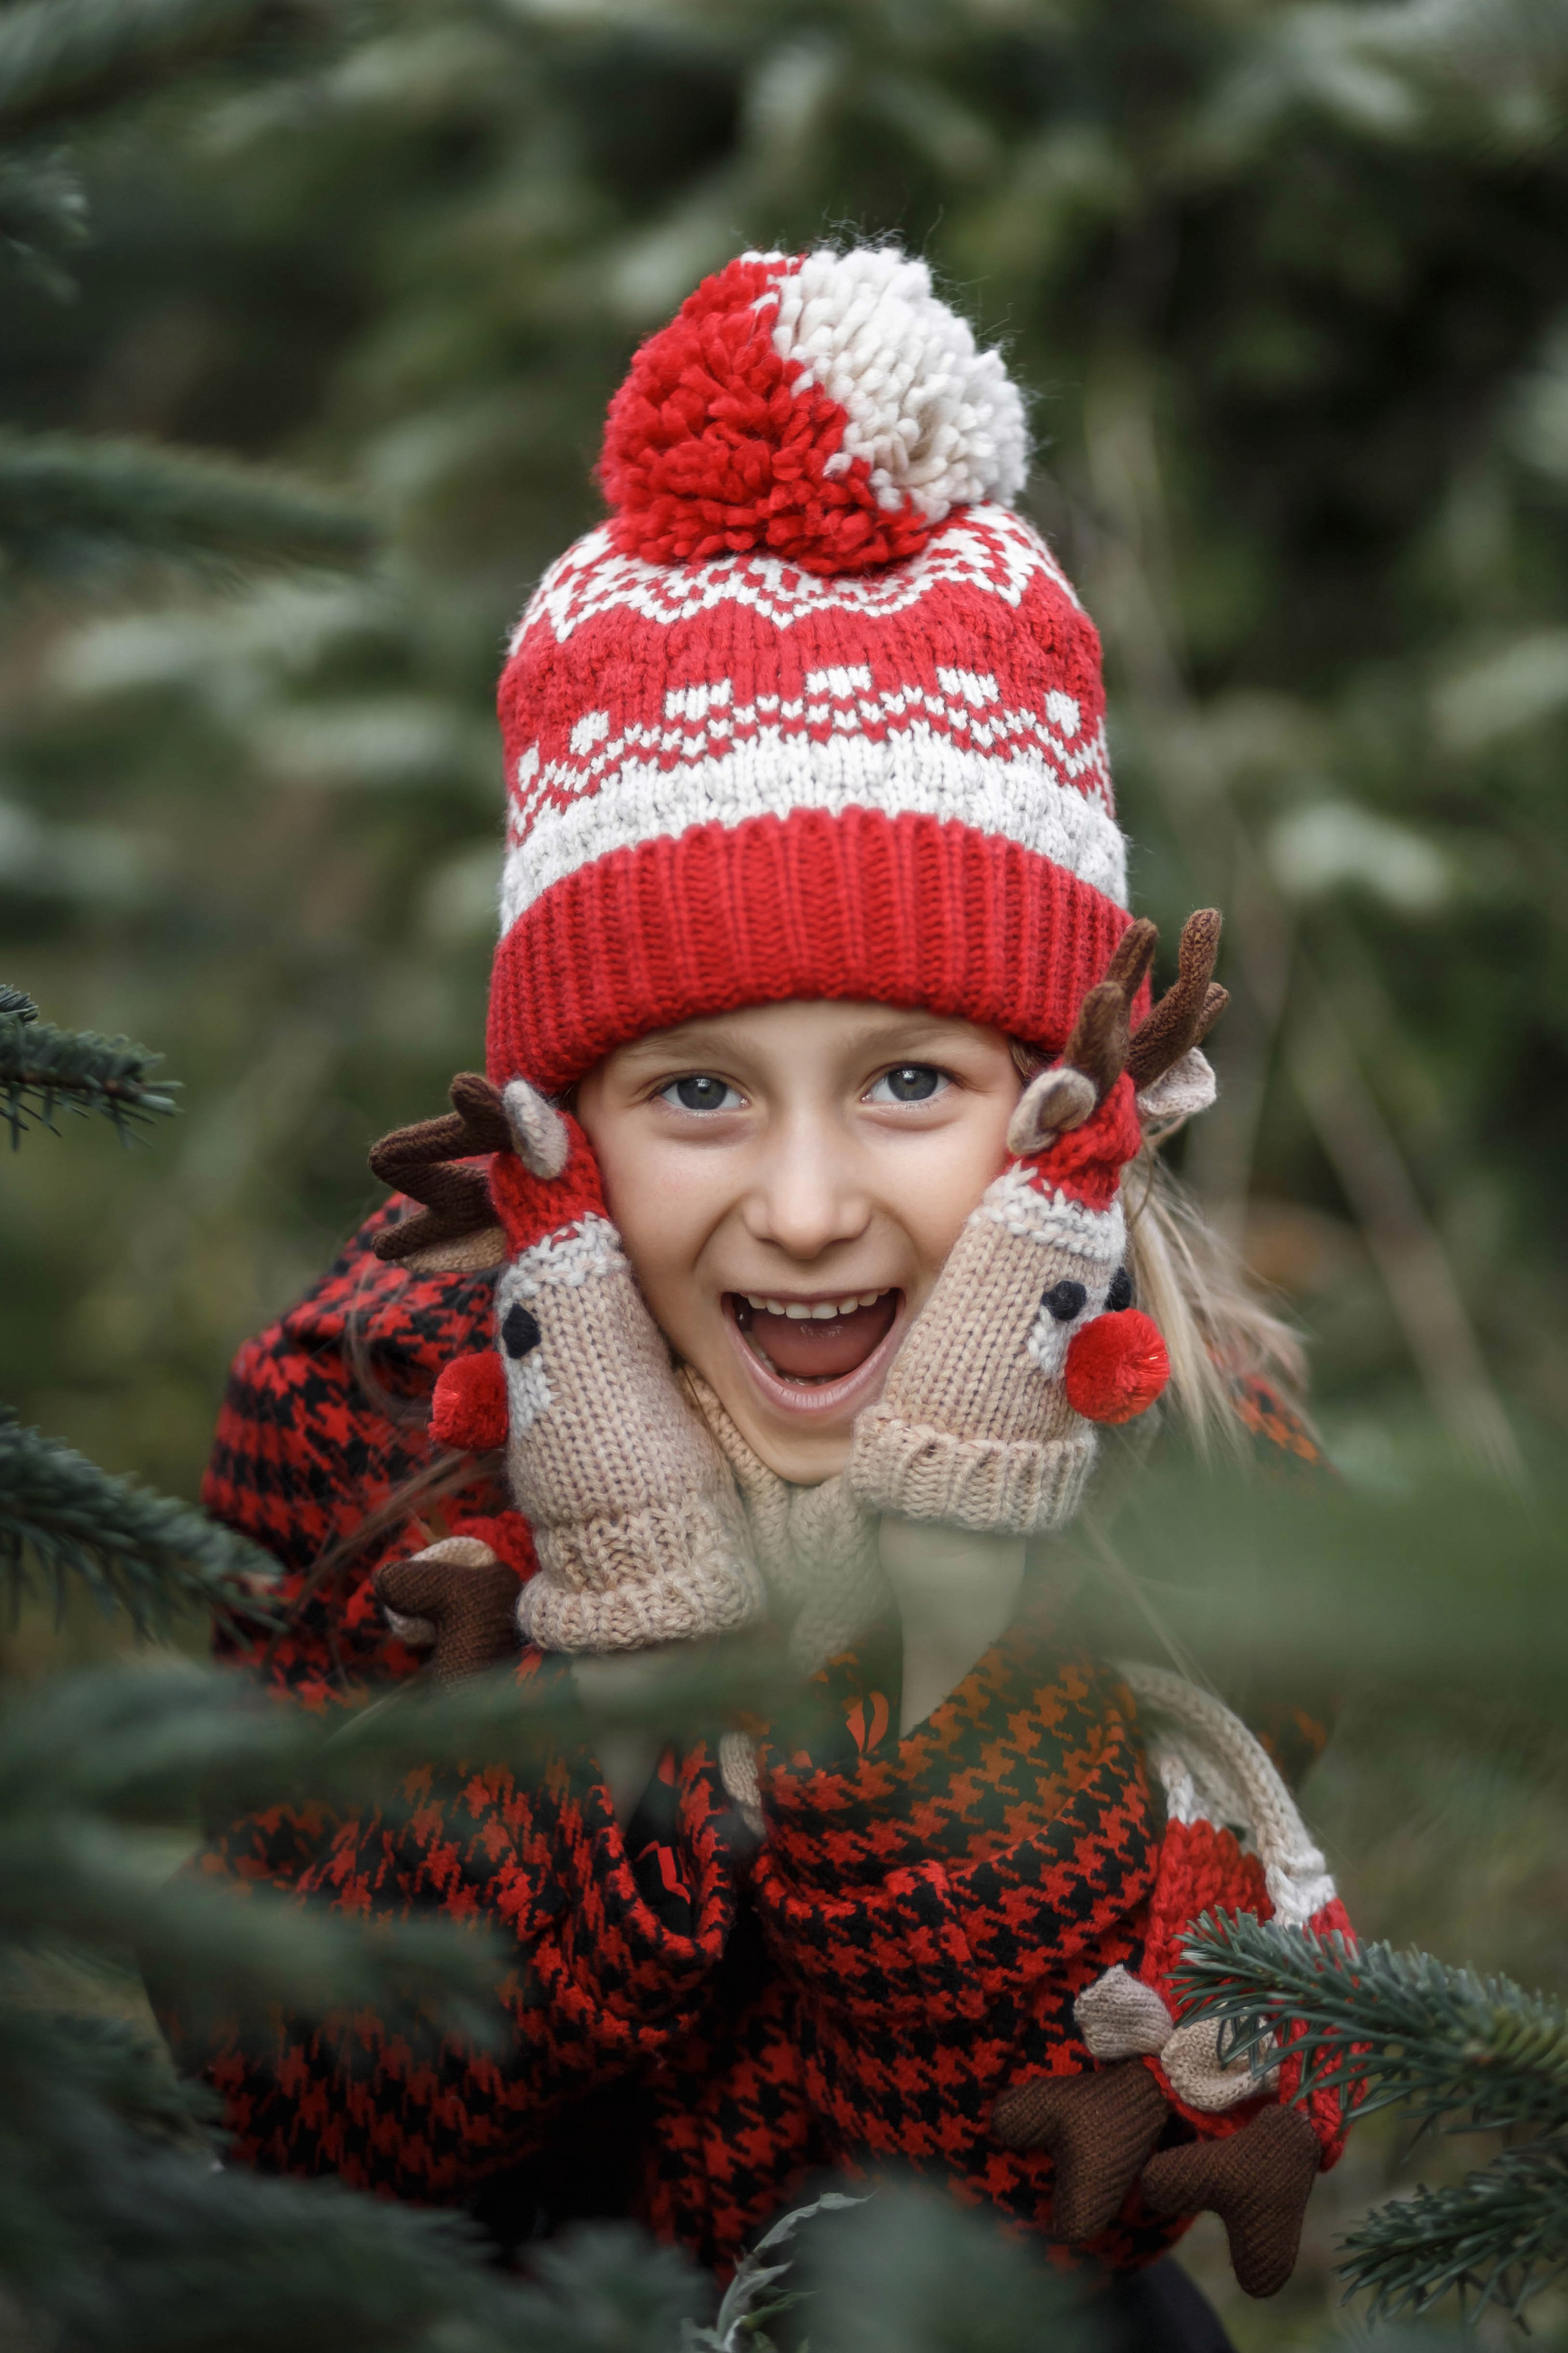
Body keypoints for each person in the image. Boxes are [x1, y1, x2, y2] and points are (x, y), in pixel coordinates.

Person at [163, 246, 1352, 2350]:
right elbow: (286, 2083)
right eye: (699, 1089)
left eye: (909, 1080)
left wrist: (943, 1662)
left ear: (1061, 1107)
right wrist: (637, 1662)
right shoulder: (375, 1406)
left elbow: (1054, 2189)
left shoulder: (1185, 1454)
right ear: (569, 1121)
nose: (806, 1205)